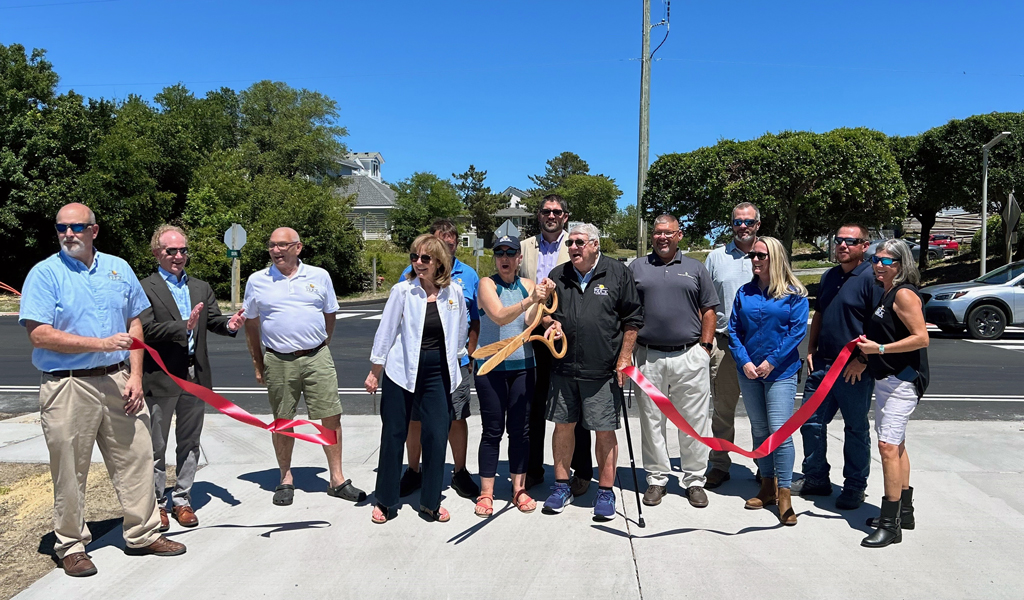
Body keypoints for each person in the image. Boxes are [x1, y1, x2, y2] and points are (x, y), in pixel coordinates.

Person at [19, 203, 185, 578]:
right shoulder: (45, 274)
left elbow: (134, 321)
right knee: (69, 468)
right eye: (61, 227)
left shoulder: (118, 268)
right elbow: (39, 334)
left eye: (77, 226)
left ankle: (142, 533)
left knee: (137, 456)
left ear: (94, 230)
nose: (68, 233)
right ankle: (72, 545)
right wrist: (101, 344)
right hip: (68, 384)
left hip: (118, 377)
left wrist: (136, 375)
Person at [242, 227, 364, 506]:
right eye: (272, 245)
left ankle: (336, 479)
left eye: (283, 245)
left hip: (316, 356)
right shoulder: (257, 280)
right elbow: (251, 324)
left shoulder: (319, 276)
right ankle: (285, 478)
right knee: (283, 420)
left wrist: (320, 345)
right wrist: (257, 362)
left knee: (330, 416)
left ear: (298, 248)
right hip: (278, 359)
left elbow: (329, 315)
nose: (276, 250)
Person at [139, 225, 245, 531]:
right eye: (171, 251)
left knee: (190, 442)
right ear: (156, 252)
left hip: (195, 375)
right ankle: (157, 503)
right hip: (161, 375)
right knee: (156, 446)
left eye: (183, 250)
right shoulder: (145, 287)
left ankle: (182, 499)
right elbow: (143, 330)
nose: (178, 256)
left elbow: (212, 321)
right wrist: (182, 326)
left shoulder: (200, 287)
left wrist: (231, 324)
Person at [540, 223, 643, 520]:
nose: (573, 247)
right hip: (563, 368)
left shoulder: (617, 273)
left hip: (602, 371)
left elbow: (633, 319)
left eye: (580, 242)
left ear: (595, 245)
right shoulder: (558, 276)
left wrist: (624, 358)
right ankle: (561, 486)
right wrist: (551, 324)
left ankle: (606, 492)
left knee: (604, 431)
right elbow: (543, 314)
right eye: (570, 242)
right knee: (562, 427)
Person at [366, 234, 469, 523]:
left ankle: (431, 501)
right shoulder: (403, 292)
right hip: (402, 371)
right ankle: (385, 500)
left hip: (439, 373)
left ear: (439, 262)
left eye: (426, 258)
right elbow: (385, 332)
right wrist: (376, 371)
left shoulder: (454, 294)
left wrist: (458, 361)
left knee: (436, 436)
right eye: (415, 257)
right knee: (393, 435)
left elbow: (460, 330)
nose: (419, 263)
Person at [629, 215, 718, 508]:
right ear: (651, 236)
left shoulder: (695, 268)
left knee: (694, 422)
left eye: (668, 233)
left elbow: (708, 310)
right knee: (651, 421)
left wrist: (704, 349)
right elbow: (627, 310)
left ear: (679, 235)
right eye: (657, 233)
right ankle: (656, 479)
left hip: (689, 355)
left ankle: (694, 480)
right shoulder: (637, 268)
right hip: (648, 356)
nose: (662, 237)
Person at [795, 224, 881, 510]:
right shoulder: (829, 275)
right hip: (821, 366)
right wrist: (810, 348)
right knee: (811, 423)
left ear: (864, 246)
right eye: (839, 240)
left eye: (850, 241)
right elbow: (819, 313)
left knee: (855, 429)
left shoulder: (872, 279)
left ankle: (855, 486)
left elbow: (879, 325)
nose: (842, 245)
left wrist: (863, 359)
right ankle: (816, 478)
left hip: (853, 370)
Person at [398, 219, 481, 501]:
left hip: (454, 363)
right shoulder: (410, 274)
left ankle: (459, 472)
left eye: (451, 242)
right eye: (439, 242)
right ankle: (413, 469)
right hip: (417, 362)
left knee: (456, 417)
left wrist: (469, 353)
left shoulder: (468, 276)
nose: (446, 247)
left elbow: (474, 320)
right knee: (415, 418)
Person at [728, 237, 808, 526]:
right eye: (752, 256)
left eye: (761, 255)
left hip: (781, 373)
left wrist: (771, 361)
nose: (755, 260)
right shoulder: (744, 293)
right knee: (760, 429)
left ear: (775, 257)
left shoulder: (794, 294)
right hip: (748, 372)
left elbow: (796, 332)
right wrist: (745, 362)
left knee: (780, 432)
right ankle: (767, 485)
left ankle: (784, 494)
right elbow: (733, 330)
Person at [473, 235, 554, 517]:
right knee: (492, 431)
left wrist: (544, 309)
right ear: (495, 258)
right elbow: (498, 316)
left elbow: (529, 323)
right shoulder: (486, 284)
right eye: (499, 253)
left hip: (523, 367)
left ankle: (519, 488)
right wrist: (530, 300)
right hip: (491, 368)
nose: (505, 258)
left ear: (519, 258)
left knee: (520, 431)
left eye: (511, 253)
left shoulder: (528, 285)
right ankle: (486, 492)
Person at [519, 194, 593, 496]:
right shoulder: (524, 248)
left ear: (565, 216)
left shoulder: (575, 245)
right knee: (534, 406)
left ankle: (583, 470)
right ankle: (534, 468)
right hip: (534, 334)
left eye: (557, 212)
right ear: (539, 216)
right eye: (546, 211)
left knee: (574, 406)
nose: (551, 216)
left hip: (567, 335)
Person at [856, 239, 929, 548]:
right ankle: (905, 512)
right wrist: (867, 352)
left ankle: (890, 525)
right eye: (876, 259)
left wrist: (879, 349)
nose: (878, 264)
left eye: (886, 261)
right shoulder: (886, 292)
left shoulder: (903, 294)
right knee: (896, 443)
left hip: (903, 381)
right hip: (887, 379)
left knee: (886, 446)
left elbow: (921, 338)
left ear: (901, 265)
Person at [703, 202, 759, 488]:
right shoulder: (715, 258)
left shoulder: (768, 254)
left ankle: (766, 465)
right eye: (738, 222)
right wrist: (705, 342)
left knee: (761, 411)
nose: (743, 226)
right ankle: (720, 464)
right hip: (724, 345)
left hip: (760, 346)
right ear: (732, 225)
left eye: (748, 222)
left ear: (757, 225)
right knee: (722, 409)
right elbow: (704, 302)